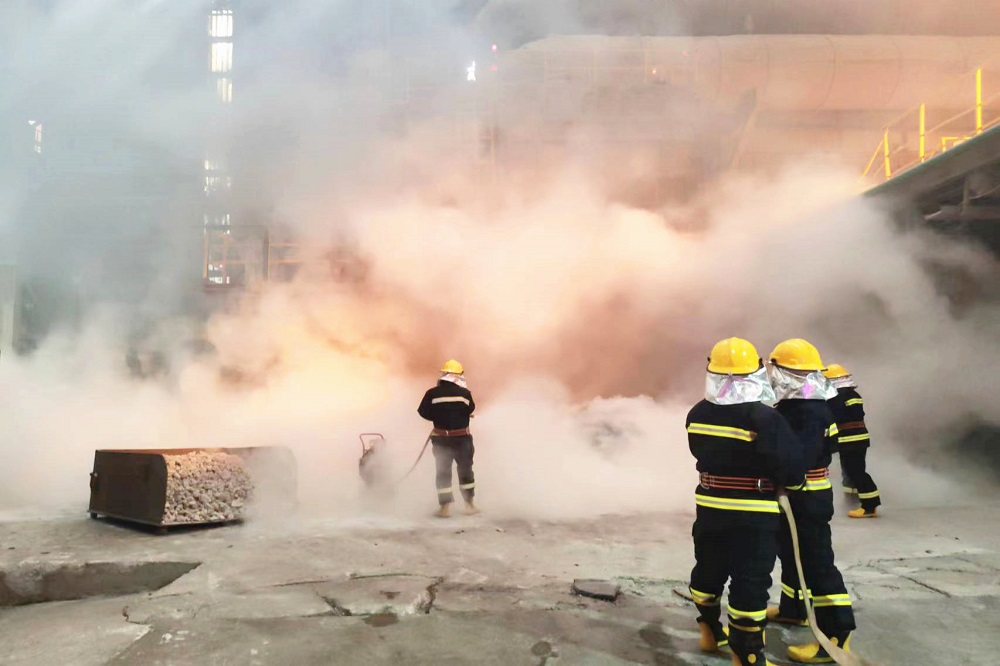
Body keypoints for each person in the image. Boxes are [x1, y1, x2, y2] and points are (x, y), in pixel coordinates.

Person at [686, 338, 806, 666]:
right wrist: (795, 485)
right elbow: (791, 468)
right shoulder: (765, 418)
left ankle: (710, 631)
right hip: (755, 512)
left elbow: (700, 453)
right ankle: (748, 655)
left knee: (708, 569)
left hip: (710, 507)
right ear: (755, 371)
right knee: (750, 581)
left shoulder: (696, 414)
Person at [767, 339, 857, 664]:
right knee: (793, 555)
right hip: (804, 494)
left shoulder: (806, 412)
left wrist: (775, 472)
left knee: (817, 563)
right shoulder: (806, 405)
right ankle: (794, 610)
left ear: (788, 374)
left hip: (806, 496)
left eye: (775, 371)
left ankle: (836, 635)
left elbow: (798, 460)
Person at [417, 359, 477, 518]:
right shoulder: (465, 394)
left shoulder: (432, 393)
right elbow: (470, 409)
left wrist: (439, 417)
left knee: (443, 471)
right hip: (462, 439)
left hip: (441, 438)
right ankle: (469, 505)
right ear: (458, 376)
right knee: (465, 469)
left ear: (444, 375)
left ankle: (444, 509)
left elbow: (423, 412)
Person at [823, 363, 881, 518]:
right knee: (850, 470)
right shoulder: (852, 394)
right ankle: (852, 500)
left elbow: (832, 415)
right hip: (856, 439)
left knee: (856, 471)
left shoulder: (836, 397)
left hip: (849, 440)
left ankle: (870, 506)